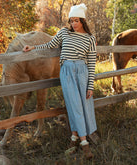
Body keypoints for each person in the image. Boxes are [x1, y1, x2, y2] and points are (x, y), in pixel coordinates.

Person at [23, 3, 97, 160]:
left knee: (83, 104)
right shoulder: (64, 33)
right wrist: (33, 47)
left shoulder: (90, 39)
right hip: (67, 72)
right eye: (71, 21)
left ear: (83, 21)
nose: (73, 24)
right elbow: (50, 45)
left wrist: (90, 85)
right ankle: (85, 144)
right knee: (73, 105)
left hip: (82, 71)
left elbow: (91, 63)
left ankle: (75, 138)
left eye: (76, 21)